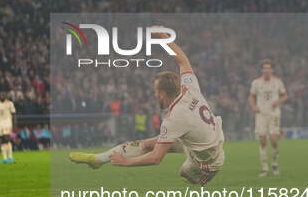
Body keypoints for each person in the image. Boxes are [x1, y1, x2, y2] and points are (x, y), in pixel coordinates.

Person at [69, 27, 225, 186]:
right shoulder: (189, 88)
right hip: (205, 140)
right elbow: (183, 60)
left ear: (162, 94)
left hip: (208, 160)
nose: (154, 94)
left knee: (184, 174)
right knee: (146, 144)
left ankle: (207, 173)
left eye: (156, 91)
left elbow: (156, 158)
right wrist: (164, 38)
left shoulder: (174, 118)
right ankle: (98, 159)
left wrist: (125, 162)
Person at [248, 59, 287, 176]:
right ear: (262, 70)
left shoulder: (277, 82)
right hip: (261, 114)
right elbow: (251, 97)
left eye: (268, 68)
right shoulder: (256, 83)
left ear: (272, 70)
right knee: (262, 140)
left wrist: (278, 101)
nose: (266, 70)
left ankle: (274, 164)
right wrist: (253, 106)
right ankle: (265, 168)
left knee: (274, 140)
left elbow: (285, 95)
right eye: (264, 68)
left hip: (274, 114)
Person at [0, 92, 16, 164]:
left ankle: (10, 157)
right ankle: (5, 158)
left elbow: (14, 114)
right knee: (2, 140)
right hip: (0, 124)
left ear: (6, 96)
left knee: (7, 139)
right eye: (1, 95)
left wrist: (15, 124)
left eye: (3, 95)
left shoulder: (10, 103)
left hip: (8, 123)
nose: (2, 96)